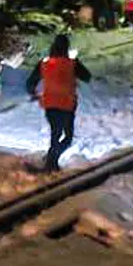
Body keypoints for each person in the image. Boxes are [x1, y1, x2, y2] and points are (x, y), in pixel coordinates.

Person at [24, 34, 91, 172]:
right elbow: (87, 77)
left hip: (50, 105)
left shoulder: (44, 63)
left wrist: (34, 94)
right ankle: (50, 163)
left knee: (55, 135)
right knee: (67, 137)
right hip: (67, 105)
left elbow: (30, 83)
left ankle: (51, 161)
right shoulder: (72, 63)